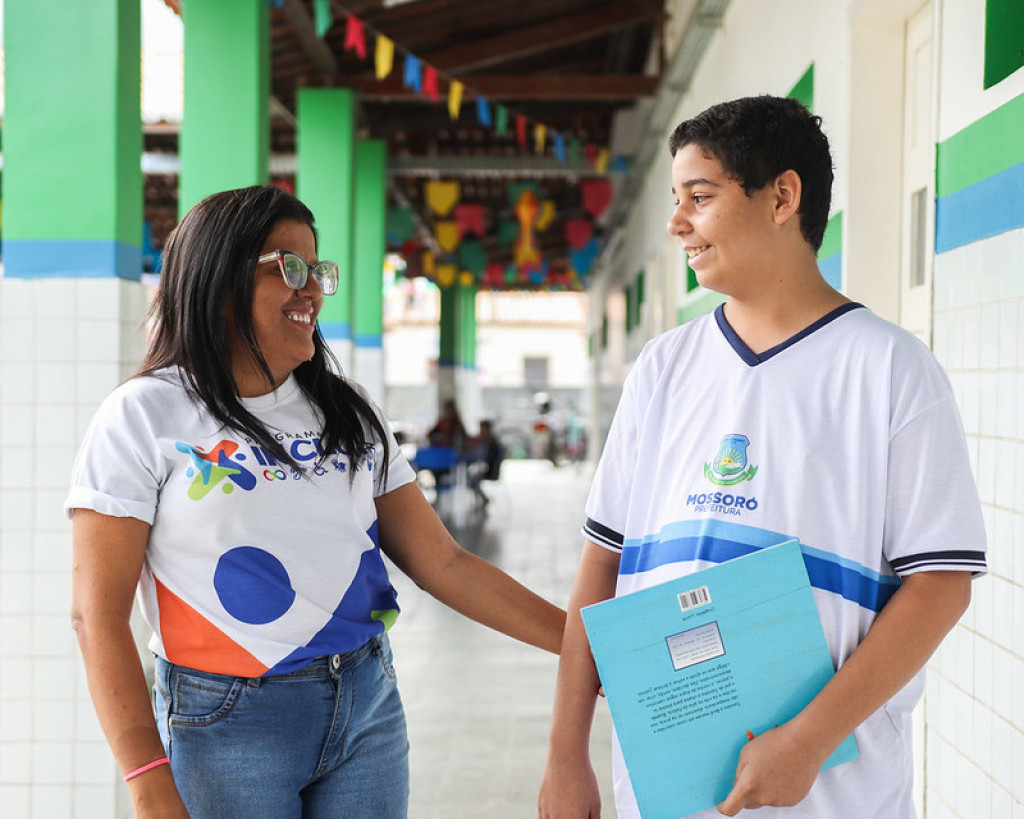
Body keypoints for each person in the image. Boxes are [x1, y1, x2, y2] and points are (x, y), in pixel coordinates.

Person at [538, 95, 987, 819]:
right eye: (675, 198)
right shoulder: (663, 368)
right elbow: (602, 561)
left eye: (700, 197)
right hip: (663, 792)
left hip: (831, 795)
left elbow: (941, 583)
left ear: (782, 195)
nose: (677, 222)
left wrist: (809, 740)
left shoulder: (890, 369)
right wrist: (565, 755)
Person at [66, 185, 566, 819]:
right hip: (227, 719)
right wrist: (147, 781)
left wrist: (580, 644)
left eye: (317, 270)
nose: (314, 292)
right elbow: (97, 618)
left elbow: (444, 563)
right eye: (290, 268)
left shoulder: (348, 410)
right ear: (220, 279)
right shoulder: (144, 415)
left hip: (366, 702)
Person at [465, 419, 505, 507]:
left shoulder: (491, 444)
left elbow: (483, 459)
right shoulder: (481, 442)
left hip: (490, 471)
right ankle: (482, 499)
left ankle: (483, 499)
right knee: (470, 479)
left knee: (472, 481)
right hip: (483, 469)